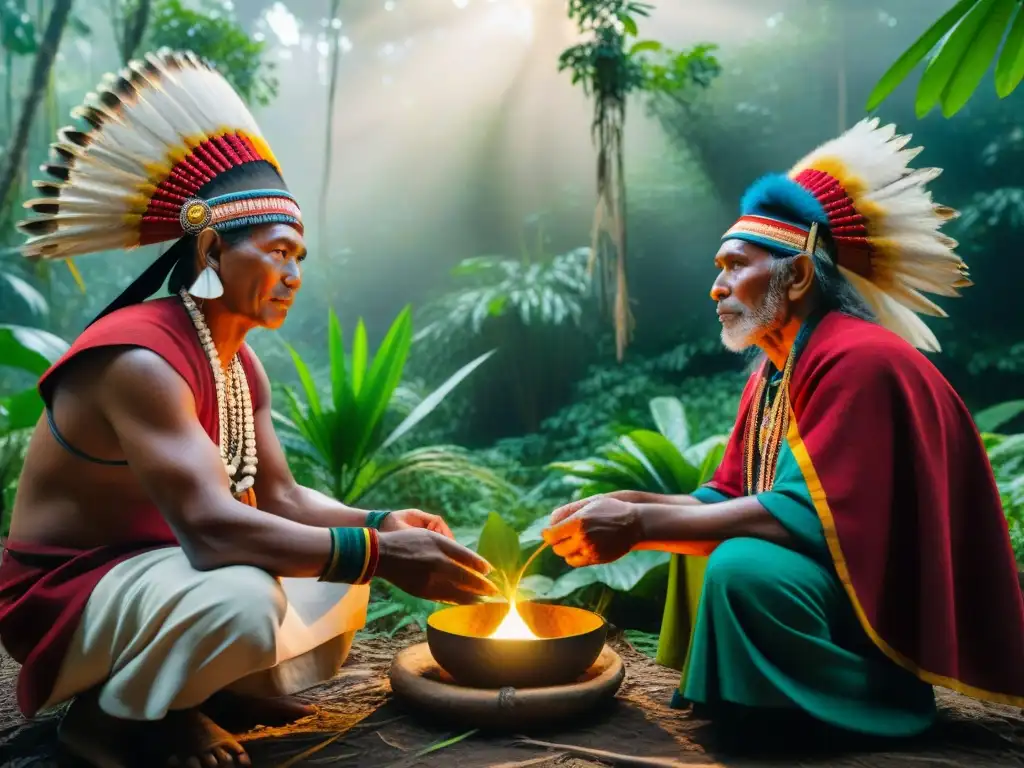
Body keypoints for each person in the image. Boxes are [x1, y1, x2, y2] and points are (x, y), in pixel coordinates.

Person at [0, 49, 497, 767]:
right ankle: (112, 723)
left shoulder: (236, 360)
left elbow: (281, 496)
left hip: (153, 576)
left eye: (301, 257)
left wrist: (380, 525)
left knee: (338, 586)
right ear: (209, 250)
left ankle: (200, 694)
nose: (294, 275)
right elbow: (207, 529)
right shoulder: (140, 358)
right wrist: (381, 555)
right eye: (279, 252)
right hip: (67, 596)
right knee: (244, 599)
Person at [542, 118, 1024, 741]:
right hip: (823, 582)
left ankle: (832, 705)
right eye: (718, 267)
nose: (715, 287)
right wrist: (630, 506)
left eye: (735, 266)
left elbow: (808, 515)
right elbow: (725, 498)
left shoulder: (859, 359)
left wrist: (637, 525)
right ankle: (739, 692)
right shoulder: (775, 369)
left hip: (871, 608)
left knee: (739, 565)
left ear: (796, 277)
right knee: (697, 541)